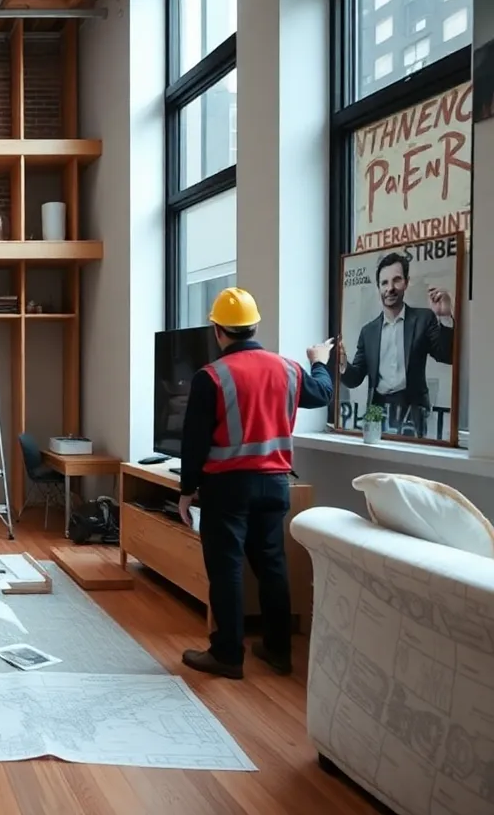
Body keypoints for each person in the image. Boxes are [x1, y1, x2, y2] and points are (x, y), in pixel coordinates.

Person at [176, 287, 335, 680]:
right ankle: (279, 651)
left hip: (227, 488)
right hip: (275, 485)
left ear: (218, 330)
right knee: (272, 565)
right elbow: (323, 393)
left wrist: (185, 489)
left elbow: (194, 441)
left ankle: (228, 655)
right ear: (255, 325)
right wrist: (319, 361)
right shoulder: (287, 369)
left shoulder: (210, 377)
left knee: (227, 568)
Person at [337, 251, 454, 437]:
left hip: (413, 409)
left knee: (414, 461)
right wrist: (342, 364)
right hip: (377, 409)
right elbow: (355, 378)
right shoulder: (368, 332)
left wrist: (445, 317)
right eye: (384, 283)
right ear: (379, 288)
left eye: (396, 280)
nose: (390, 288)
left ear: (406, 282)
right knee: (376, 458)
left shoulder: (424, 319)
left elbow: (447, 355)